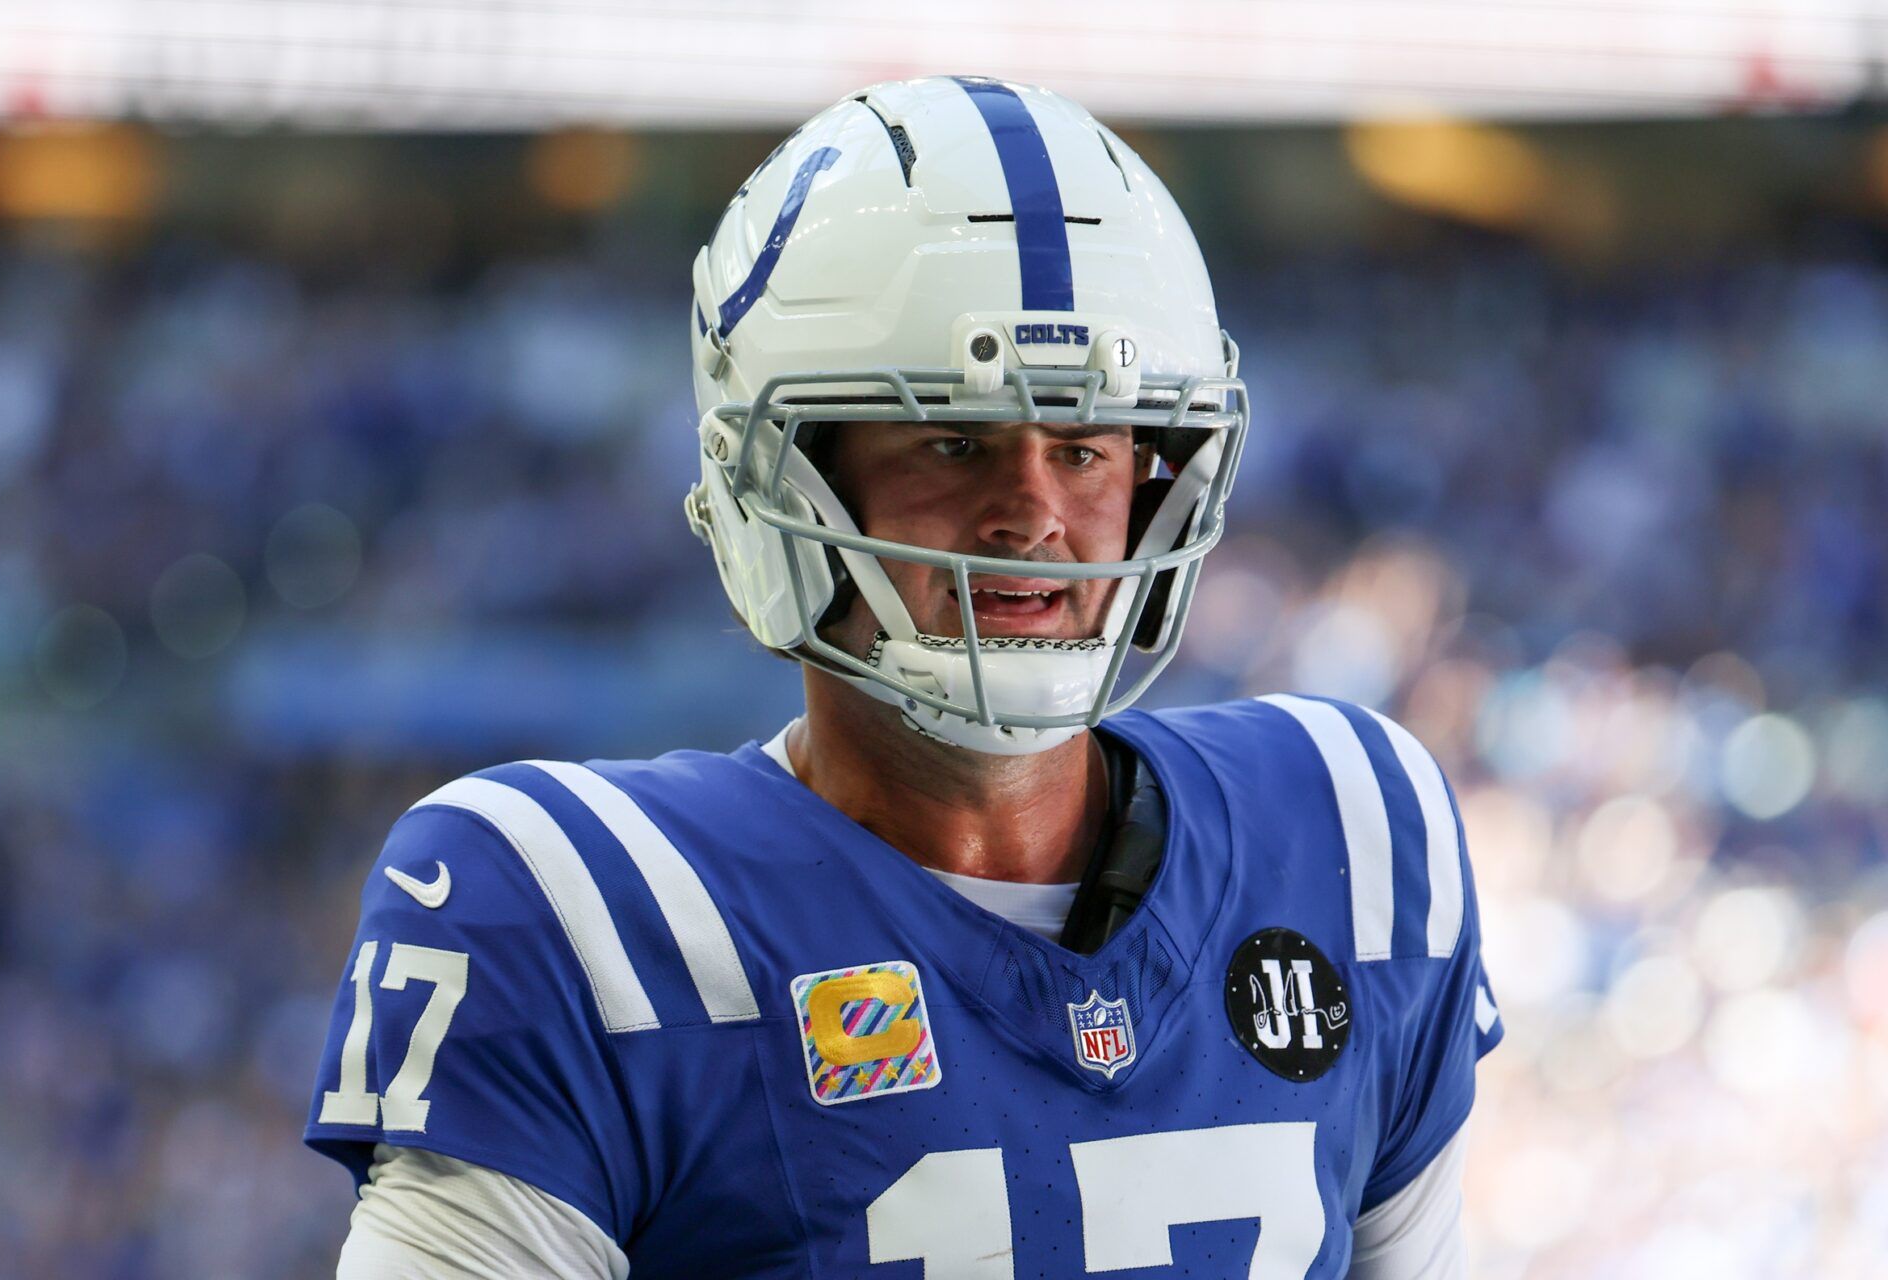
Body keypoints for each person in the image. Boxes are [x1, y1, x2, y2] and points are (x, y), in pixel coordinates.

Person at [306, 75, 1501, 1278]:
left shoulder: (1348, 829)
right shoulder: (577, 913)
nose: (1034, 513)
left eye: (1085, 446)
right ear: (784, 487)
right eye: (952, 441)